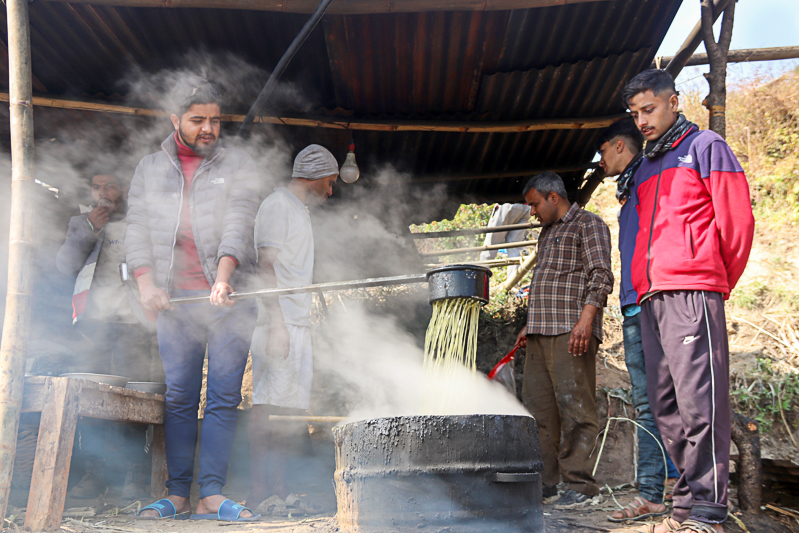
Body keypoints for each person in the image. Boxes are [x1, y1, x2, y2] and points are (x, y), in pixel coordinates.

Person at [623, 69, 754, 533]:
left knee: (701, 403)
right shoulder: (647, 166)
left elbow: (736, 223)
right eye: (635, 113)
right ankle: (685, 505)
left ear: (674, 102)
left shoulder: (705, 147)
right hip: (652, 297)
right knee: (665, 405)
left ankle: (709, 512)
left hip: (692, 289)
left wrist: (713, 279)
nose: (641, 120)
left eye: (649, 109)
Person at [126, 76, 260, 521]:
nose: (208, 128)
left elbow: (239, 221)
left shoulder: (236, 163)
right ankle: (177, 495)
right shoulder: (150, 168)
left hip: (228, 298)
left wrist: (222, 279)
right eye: (197, 120)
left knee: (223, 396)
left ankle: (211, 495)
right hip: (176, 303)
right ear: (174, 120)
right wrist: (147, 286)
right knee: (181, 397)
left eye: (215, 120)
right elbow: (136, 229)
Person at [246, 145, 338, 513]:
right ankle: (257, 494)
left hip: (296, 323)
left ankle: (278, 491)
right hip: (278, 324)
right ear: (314, 175)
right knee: (267, 409)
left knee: (286, 413)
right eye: (330, 182)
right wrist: (277, 324)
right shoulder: (277, 205)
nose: (330, 191)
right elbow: (265, 267)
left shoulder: (298, 209)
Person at [597, 118, 680, 523]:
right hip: (633, 306)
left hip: (657, 303)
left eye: (601, 154)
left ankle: (684, 492)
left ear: (617, 146)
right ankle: (653, 494)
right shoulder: (629, 191)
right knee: (648, 404)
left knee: (676, 401)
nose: (599, 163)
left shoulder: (653, 174)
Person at [514, 172, 613, 508]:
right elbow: (548, 283)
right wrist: (531, 324)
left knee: (576, 408)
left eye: (535, 204)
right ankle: (545, 484)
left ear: (553, 197)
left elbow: (600, 275)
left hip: (572, 331)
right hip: (542, 332)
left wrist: (585, 322)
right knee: (539, 411)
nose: (532, 212)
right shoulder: (547, 233)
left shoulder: (589, 224)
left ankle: (579, 486)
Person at [56, 172, 157, 499]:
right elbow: (64, 266)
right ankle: (95, 473)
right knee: (92, 401)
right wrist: (89, 229)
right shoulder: (80, 222)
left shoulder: (140, 225)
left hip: (134, 325)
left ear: (124, 190)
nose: (103, 194)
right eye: (97, 187)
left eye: (109, 186)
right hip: (94, 326)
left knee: (135, 404)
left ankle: (132, 475)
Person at [478, 203, 532, 276]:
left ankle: (480, 280)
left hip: (509, 202)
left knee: (490, 246)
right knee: (515, 249)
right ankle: (512, 284)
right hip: (526, 206)